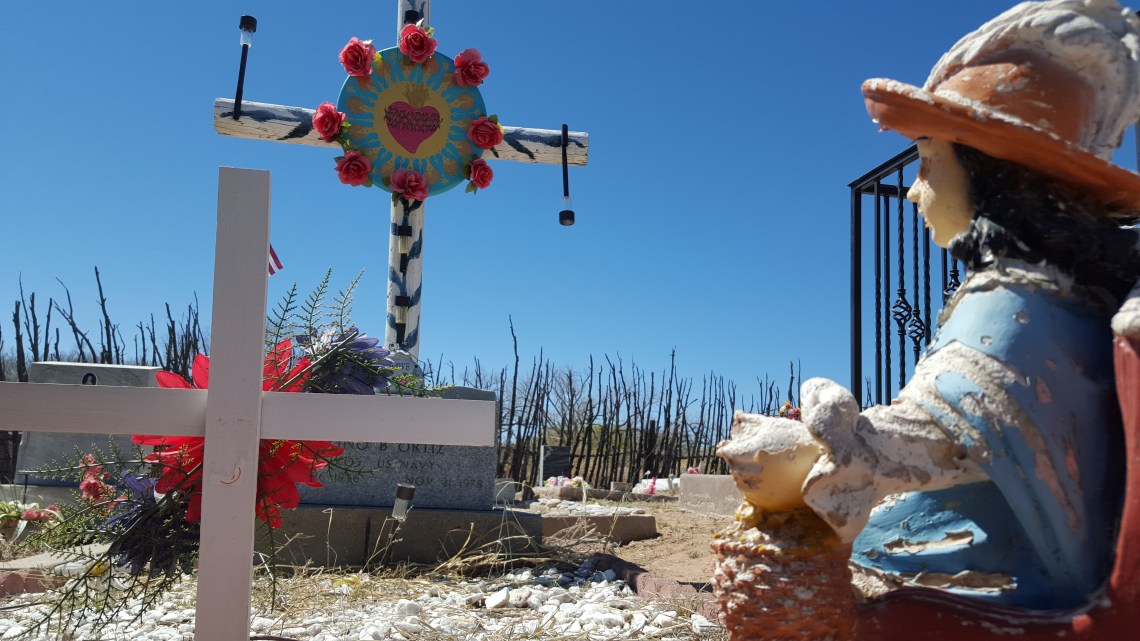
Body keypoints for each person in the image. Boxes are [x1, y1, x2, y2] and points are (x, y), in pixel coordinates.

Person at [718, 0, 1140, 610]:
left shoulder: (1011, 304)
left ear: (990, 176)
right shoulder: (1067, 296)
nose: (914, 189)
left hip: (1024, 578)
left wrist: (804, 450)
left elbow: (928, 444)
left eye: (927, 160)